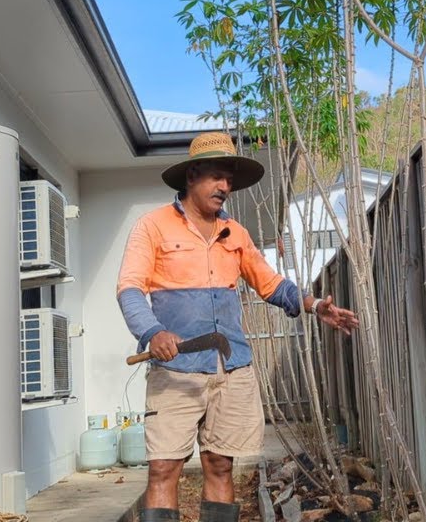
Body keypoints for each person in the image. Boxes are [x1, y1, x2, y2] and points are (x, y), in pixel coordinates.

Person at [116, 131, 359, 522]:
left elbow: (270, 283)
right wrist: (152, 332)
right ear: (192, 175)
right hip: (176, 373)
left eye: (229, 179)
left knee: (220, 465)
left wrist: (313, 305)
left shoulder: (236, 234)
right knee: (163, 468)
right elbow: (129, 288)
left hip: (230, 370)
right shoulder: (153, 227)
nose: (225, 187)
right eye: (216, 176)